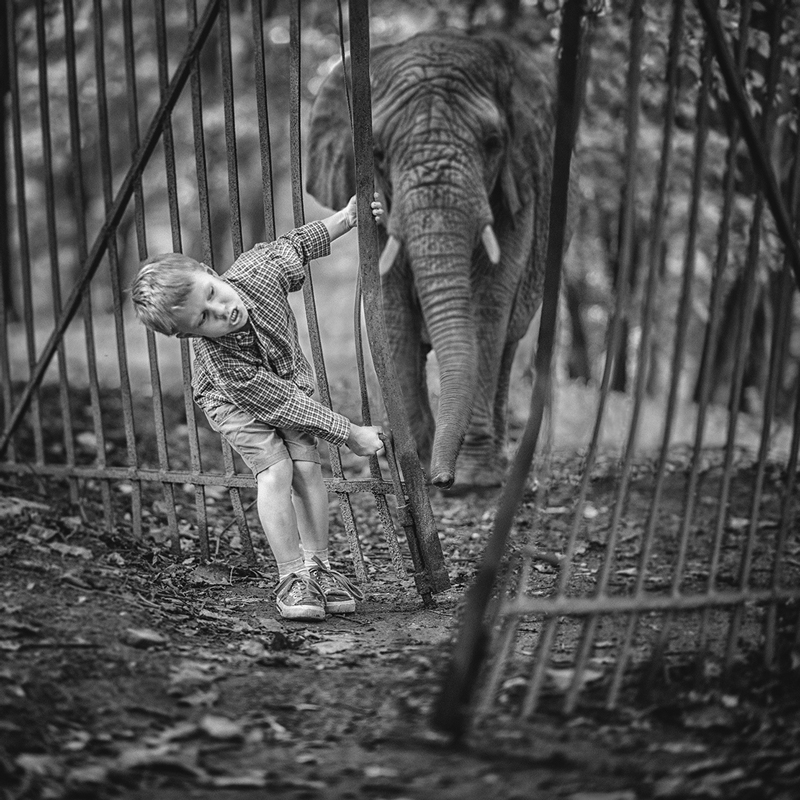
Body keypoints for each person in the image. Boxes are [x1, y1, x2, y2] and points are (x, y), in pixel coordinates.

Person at [129, 195, 385, 621]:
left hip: (284, 382)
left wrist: (347, 219)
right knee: (278, 469)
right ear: (190, 336)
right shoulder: (220, 361)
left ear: (211, 274)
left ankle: (318, 568)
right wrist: (351, 433)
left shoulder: (257, 272)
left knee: (307, 466)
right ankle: (291, 577)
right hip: (234, 402)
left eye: (212, 294)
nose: (222, 311)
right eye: (204, 318)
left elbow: (297, 244)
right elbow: (282, 404)